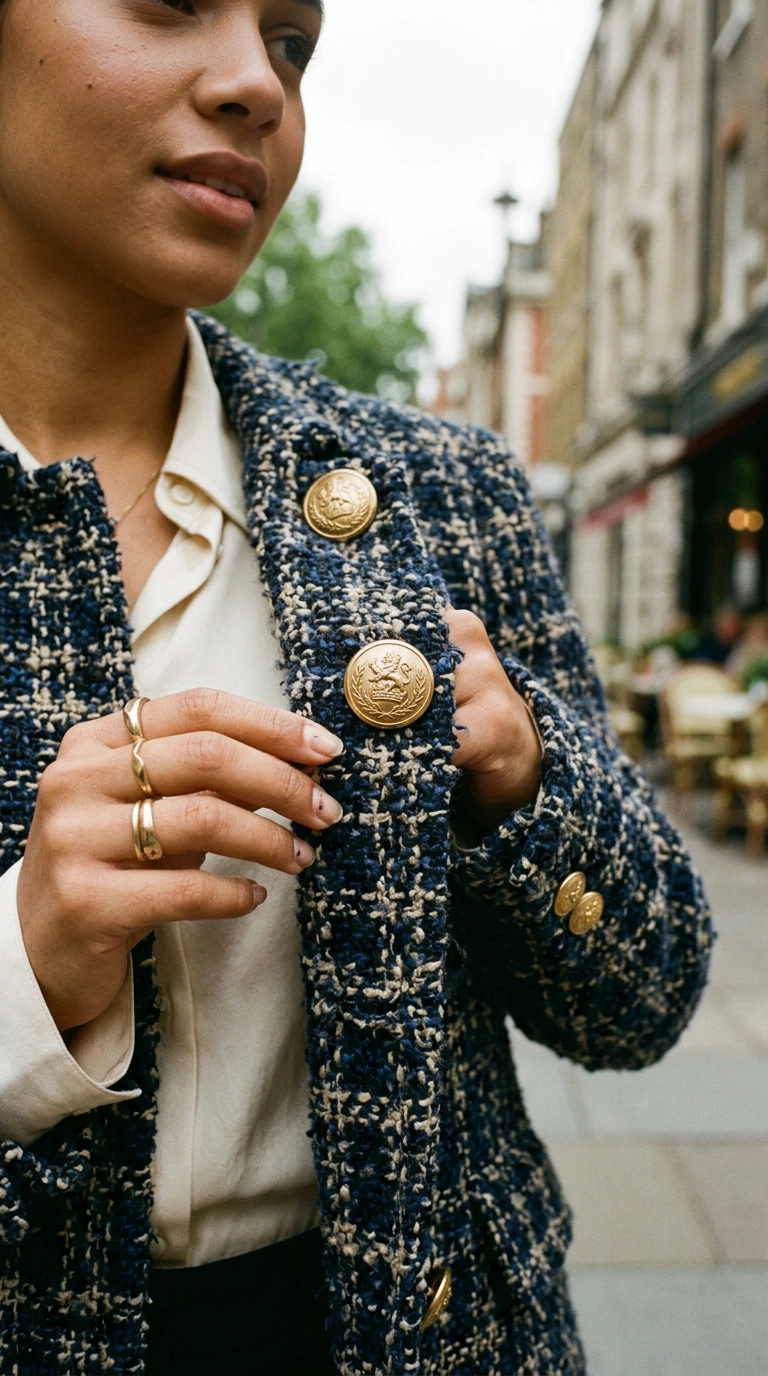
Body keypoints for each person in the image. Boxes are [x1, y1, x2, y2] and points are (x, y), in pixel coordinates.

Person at [0, 2, 712, 1373]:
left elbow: (647, 998)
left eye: (293, 41)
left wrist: (529, 785)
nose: (254, 86)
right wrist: (22, 969)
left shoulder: (438, 494)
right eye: (167, 2)